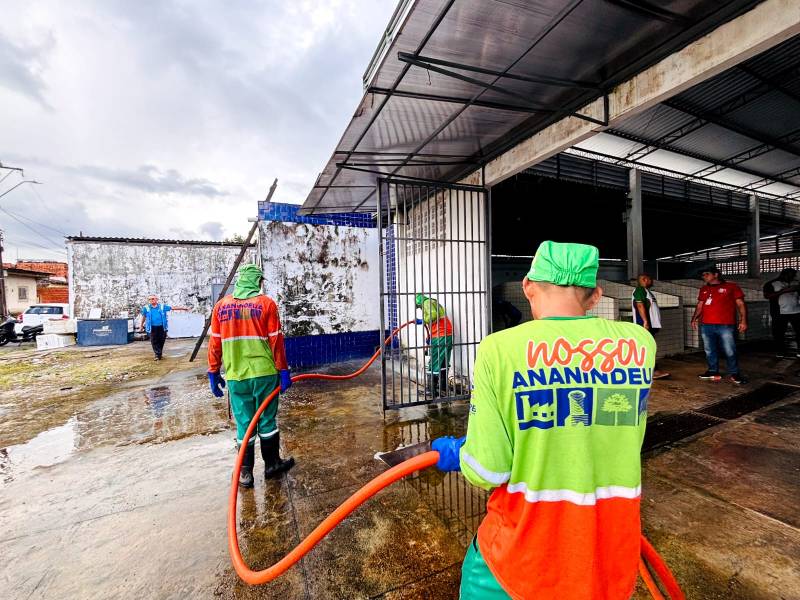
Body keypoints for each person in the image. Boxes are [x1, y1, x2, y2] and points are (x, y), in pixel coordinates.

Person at [432, 241, 656, 599]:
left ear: (527, 285)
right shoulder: (640, 344)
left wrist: (462, 452)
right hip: (608, 557)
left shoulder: (499, 348)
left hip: (523, 558)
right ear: (596, 295)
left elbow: (488, 470)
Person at [207, 264, 294, 488]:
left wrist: (213, 371)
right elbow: (276, 340)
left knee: (244, 423)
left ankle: (245, 474)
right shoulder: (266, 304)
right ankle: (272, 465)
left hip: (236, 375)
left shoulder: (221, 307)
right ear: (256, 281)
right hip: (264, 374)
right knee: (266, 420)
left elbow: (215, 342)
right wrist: (283, 369)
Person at [691, 267, 748, 384]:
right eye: (703, 275)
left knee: (729, 350)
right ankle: (713, 371)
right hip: (706, 325)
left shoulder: (731, 287)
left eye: (707, 274)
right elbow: (700, 305)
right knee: (709, 350)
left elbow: (741, 304)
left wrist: (743, 320)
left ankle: (735, 373)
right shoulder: (704, 289)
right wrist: (694, 318)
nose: (704, 276)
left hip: (725, 325)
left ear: (716, 275)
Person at [631, 273, 670, 379]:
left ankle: (649, 370)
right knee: (648, 348)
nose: (652, 281)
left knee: (648, 347)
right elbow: (639, 305)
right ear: (645, 279)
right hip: (644, 325)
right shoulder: (640, 290)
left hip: (649, 325)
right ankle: (653, 371)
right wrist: (645, 322)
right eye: (650, 279)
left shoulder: (647, 292)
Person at [415, 293, 453, 398]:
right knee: (444, 362)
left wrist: (421, 321)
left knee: (434, 363)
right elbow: (436, 320)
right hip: (447, 334)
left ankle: (431, 390)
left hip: (440, 335)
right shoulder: (433, 301)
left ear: (419, 303)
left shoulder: (426, 303)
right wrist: (430, 337)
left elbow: (433, 315)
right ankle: (443, 389)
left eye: (419, 307)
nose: (420, 309)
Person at [763, 268, 800, 358]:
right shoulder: (771, 284)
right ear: (785, 275)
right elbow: (767, 296)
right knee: (778, 333)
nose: (794, 277)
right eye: (792, 275)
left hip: (796, 311)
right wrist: (784, 291)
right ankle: (780, 351)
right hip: (779, 313)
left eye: (794, 275)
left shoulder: (796, 283)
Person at [140, 295, 188, 360]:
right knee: (154, 341)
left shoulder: (162, 307)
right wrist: (141, 325)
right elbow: (144, 317)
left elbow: (172, 308)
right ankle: (157, 355)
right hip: (152, 327)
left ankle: (159, 353)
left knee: (161, 340)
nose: (151, 300)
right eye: (150, 299)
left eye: (153, 299)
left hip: (162, 327)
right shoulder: (146, 308)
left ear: (157, 299)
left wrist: (183, 308)